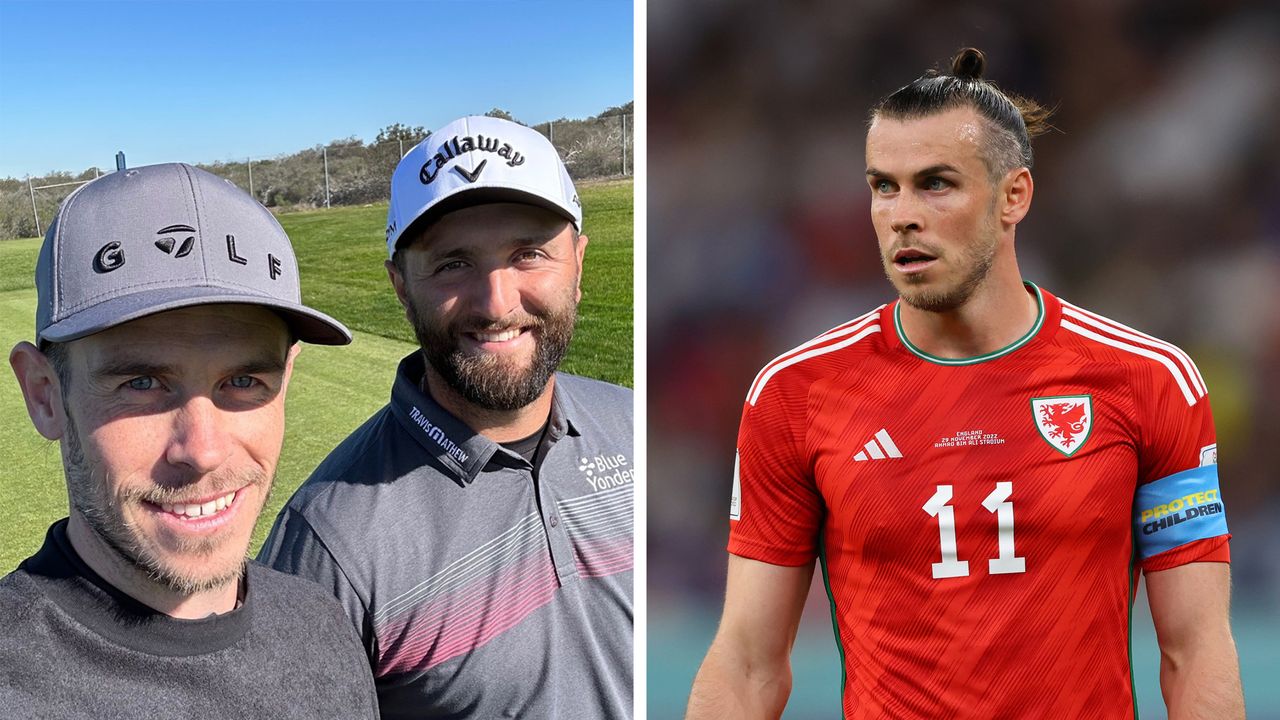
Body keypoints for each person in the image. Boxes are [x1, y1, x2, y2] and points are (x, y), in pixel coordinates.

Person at [686, 49, 1243, 719]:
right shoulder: (793, 393)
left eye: (936, 183)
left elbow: (1196, 652)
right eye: (882, 186)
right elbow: (747, 663)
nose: (901, 215)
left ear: (1014, 196)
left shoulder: (1151, 382)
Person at [259, 115, 633, 719]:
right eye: (453, 264)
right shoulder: (328, 543)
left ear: (579, 264)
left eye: (529, 254)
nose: (498, 303)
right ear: (401, 286)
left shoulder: (639, 427)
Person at [0, 163, 378, 718]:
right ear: (45, 395)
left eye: (244, 381)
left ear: (286, 379)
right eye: (142, 383)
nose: (201, 451)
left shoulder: (322, 620)